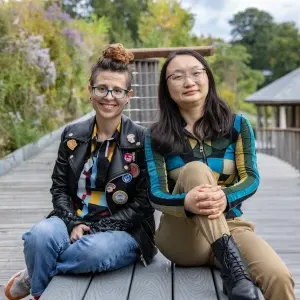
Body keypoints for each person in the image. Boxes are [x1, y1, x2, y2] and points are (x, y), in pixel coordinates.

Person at [4, 44, 157, 300]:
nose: (109, 96)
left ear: (128, 95)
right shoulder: (72, 135)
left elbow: (143, 204)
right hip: (72, 220)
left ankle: (37, 273)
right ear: (90, 91)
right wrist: (73, 222)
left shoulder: (142, 139)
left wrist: (95, 229)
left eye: (117, 90)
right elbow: (60, 188)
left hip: (124, 231)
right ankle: (42, 294)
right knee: (37, 237)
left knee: (92, 252)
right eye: (102, 89)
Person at [144, 49, 295, 300]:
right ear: (166, 88)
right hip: (183, 235)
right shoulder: (156, 135)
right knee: (195, 170)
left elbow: (251, 178)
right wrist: (186, 203)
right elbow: (155, 194)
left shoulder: (237, 125)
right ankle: (236, 274)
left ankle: (230, 262)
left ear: (208, 77)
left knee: (278, 276)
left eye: (196, 73)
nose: (189, 82)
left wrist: (224, 198)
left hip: (231, 225)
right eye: (177, 76)